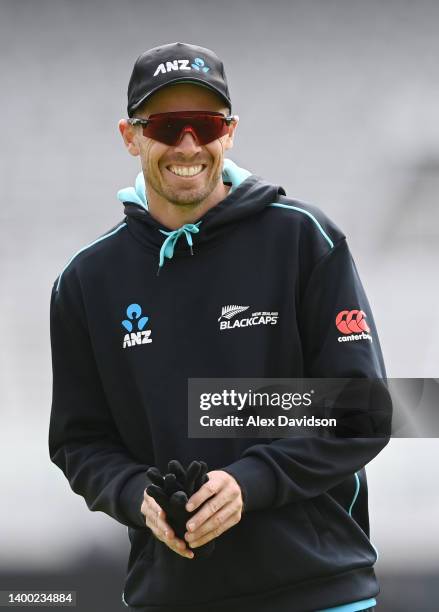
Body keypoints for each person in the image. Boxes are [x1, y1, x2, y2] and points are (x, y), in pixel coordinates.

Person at [48, 42, 390, 612]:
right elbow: (79, 442)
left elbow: (364, 410)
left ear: (229, 132)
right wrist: (139, 498)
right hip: (172, 596)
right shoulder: (85, 282)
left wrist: (248, 484)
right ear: (130, 136)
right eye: (167, 124)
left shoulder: (303, 238)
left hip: (320, 591)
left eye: (205, 124)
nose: (188, 144)